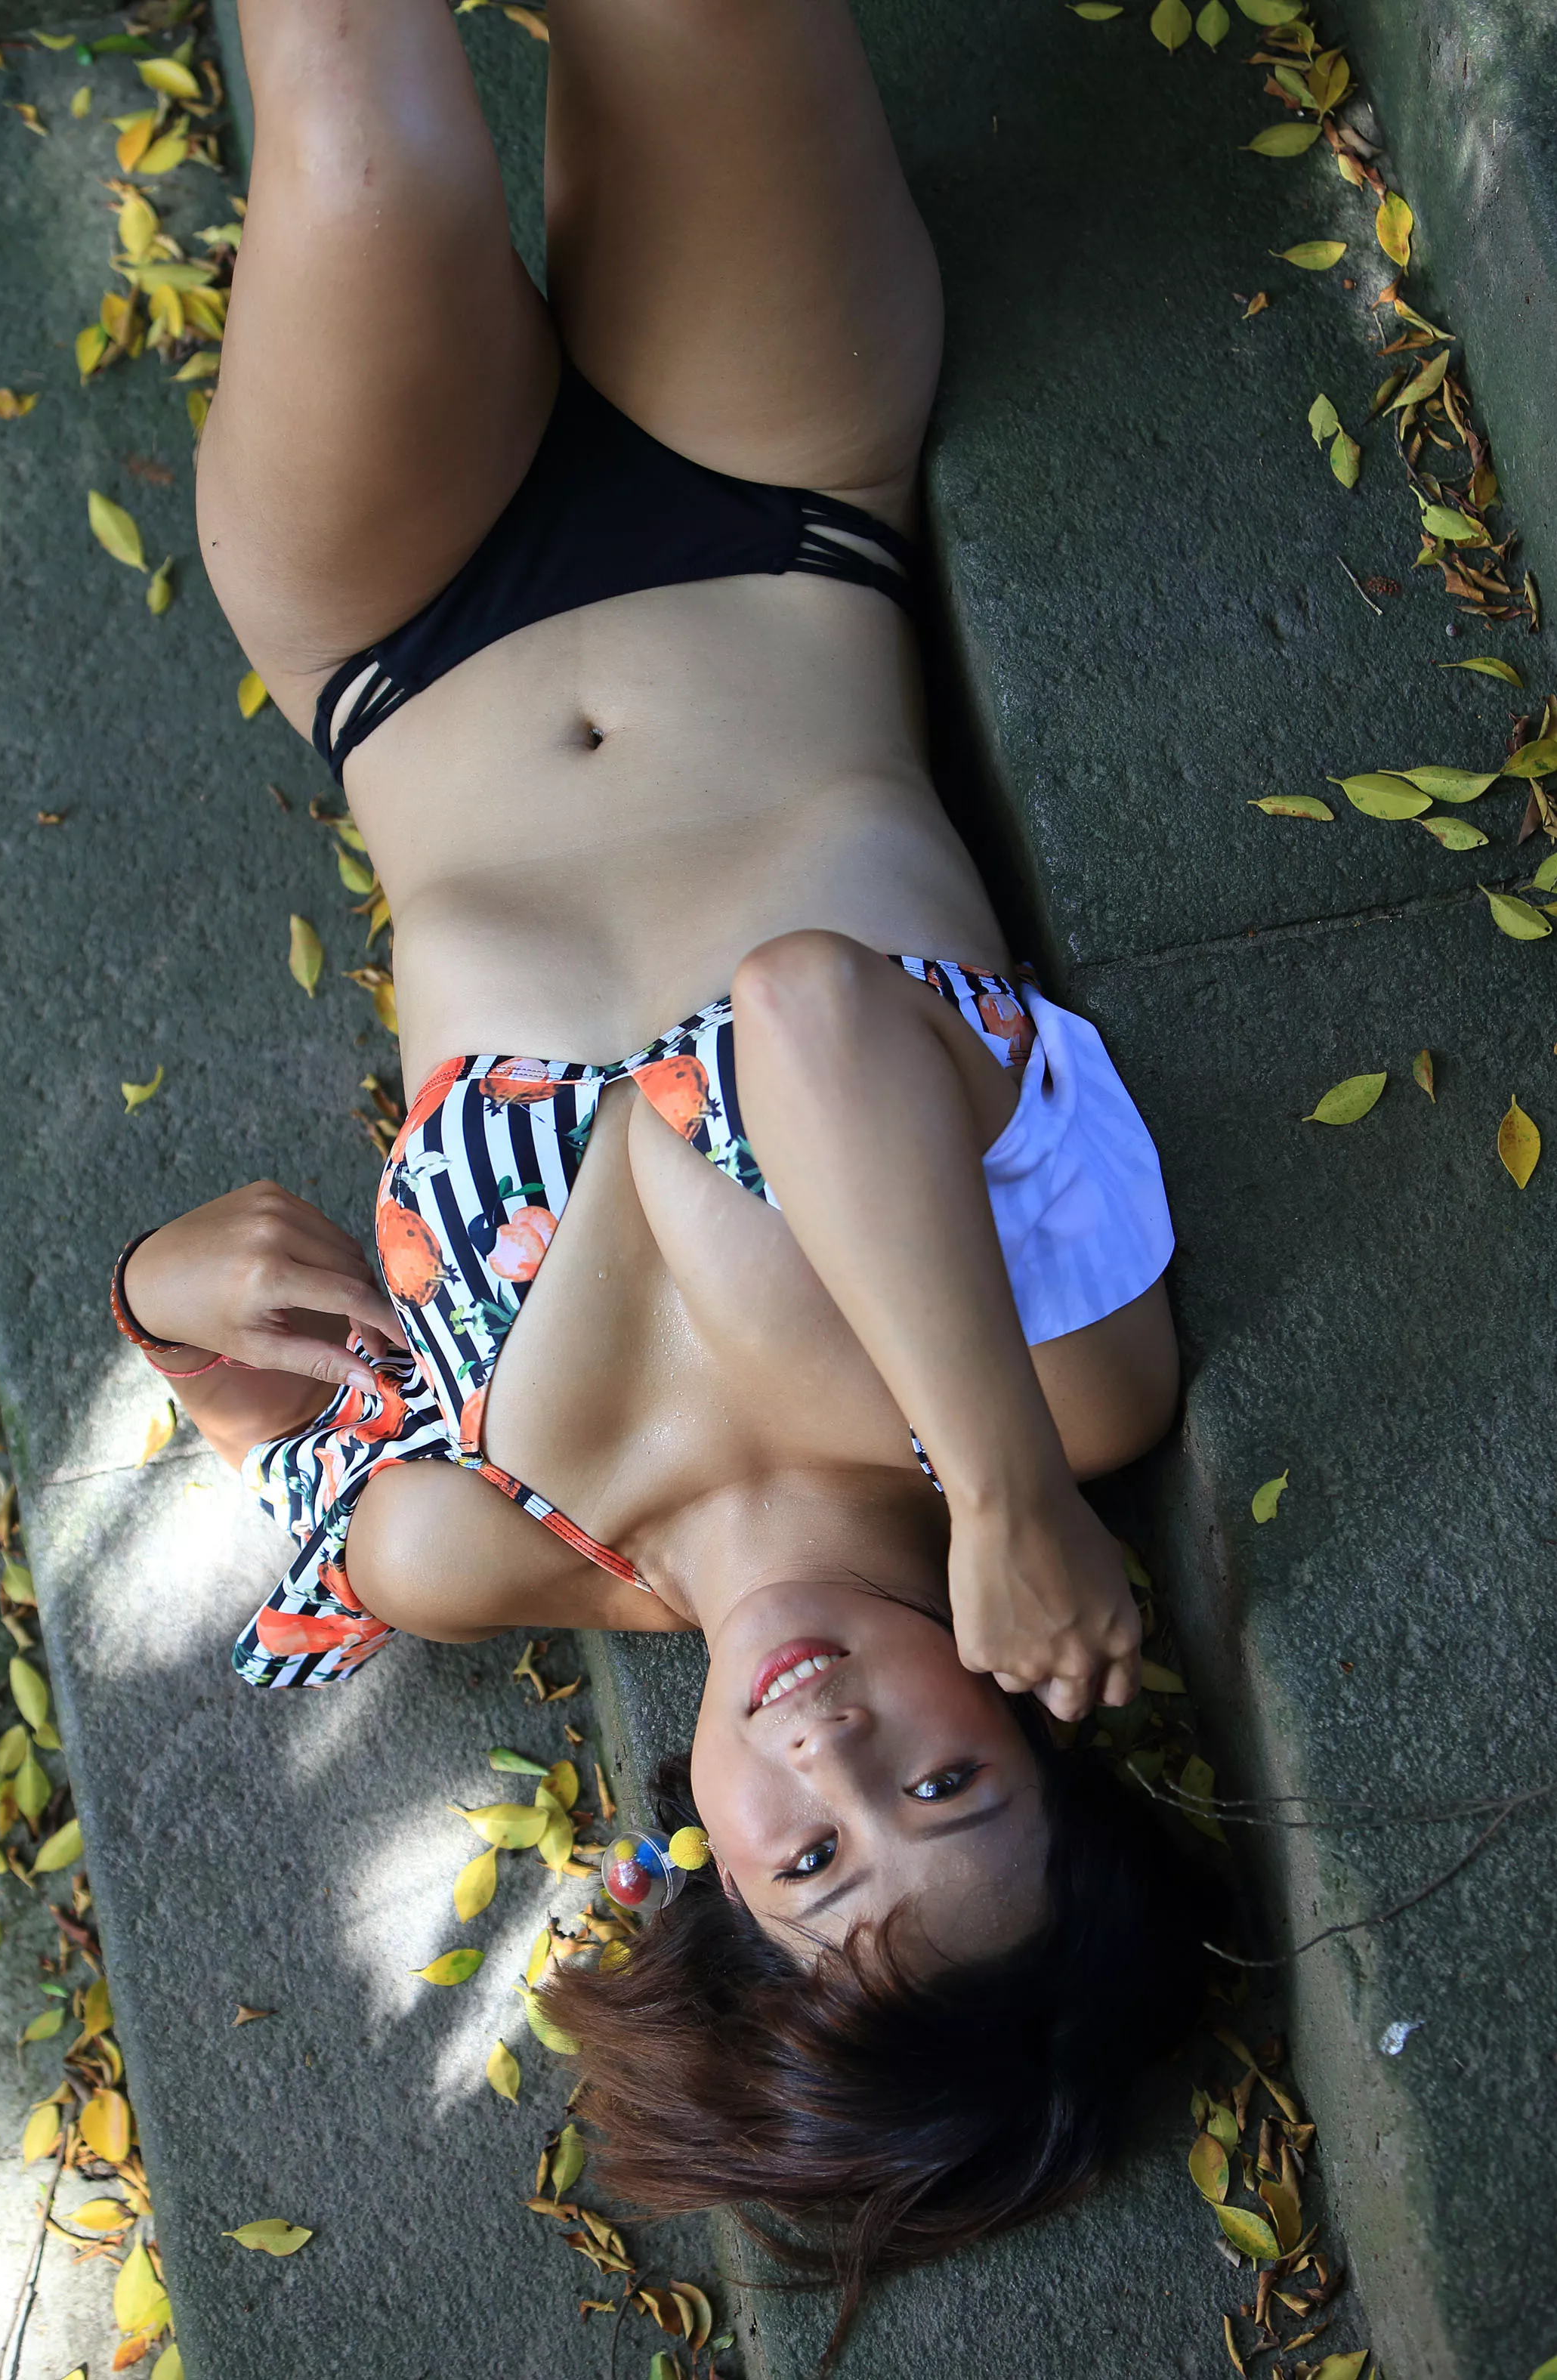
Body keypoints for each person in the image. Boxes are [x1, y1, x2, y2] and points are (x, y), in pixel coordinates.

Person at [108, 0, 1218, 2344]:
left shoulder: (464, 1536)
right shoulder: (1047, 1392)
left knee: (354, 131)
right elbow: (809, 1018)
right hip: (774, 502)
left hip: (398, 637)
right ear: (1038, 1714)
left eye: (810, 1848)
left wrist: (159, 1290)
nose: (831, 1745)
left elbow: (230, 1383)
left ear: (703, 1855)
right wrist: (1002, 1487)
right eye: (945, 1784)